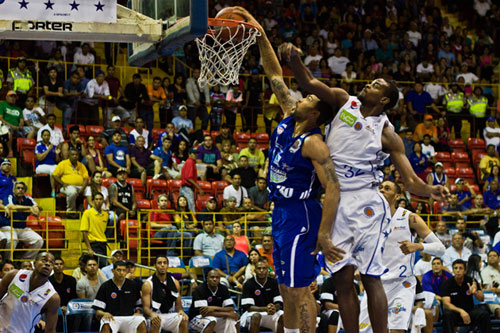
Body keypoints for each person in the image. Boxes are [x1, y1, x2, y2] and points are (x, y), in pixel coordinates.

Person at [278, 27, 449, 333]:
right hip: (335, 200)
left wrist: (431, 190)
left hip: (366, 202)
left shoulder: (386, 133)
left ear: (383, 99)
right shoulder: (344, 100)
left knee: (371, 277)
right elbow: (308, 82)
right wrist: (293, 59)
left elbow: (410, 181)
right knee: (342, 278)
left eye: (374, 85)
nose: (367, 85)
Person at [357, 180, 445, 333]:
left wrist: (418, 246)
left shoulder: (409, 218)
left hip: (401, 284)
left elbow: (441, 248)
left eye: (387, 188)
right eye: (380, 188)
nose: (382, 190)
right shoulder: (369, 218)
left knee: (397, 330)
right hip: (375, 284)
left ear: (397, 196)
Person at [0, 252, 60, 333]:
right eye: (44, 260)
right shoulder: (13, 275)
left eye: (51, 262)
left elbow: (50, 330)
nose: (47, 264)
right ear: (34, 263)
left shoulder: (52, 297)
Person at [92, 260, 147, 333]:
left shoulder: (133, 285)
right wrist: (104, 313)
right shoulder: (105, 286)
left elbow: (139, 304)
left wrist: (138, 312)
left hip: (129, 318)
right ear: (113, 271)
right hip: (112, 318)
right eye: (119, 270)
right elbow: (98, 311)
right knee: (106, 323)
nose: (121, 273)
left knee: (141, 321)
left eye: (124, 270)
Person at [441, 259, 490, 333]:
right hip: (455, 312)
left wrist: (475, 293)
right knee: (447, 315)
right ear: (453, 270)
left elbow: (482, 298)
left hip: (469, 311)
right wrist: (461, 311)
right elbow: (446, 304)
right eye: (455, 268)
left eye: (460, 268)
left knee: (484, 314)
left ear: (465, 271)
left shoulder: (471, 281)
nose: (458, 270)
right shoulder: (447, 283)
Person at [141, 256, 189, 333]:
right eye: (159, 263)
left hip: (169, 314)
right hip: (155, 314)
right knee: (156, 321)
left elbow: (178, 305)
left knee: (183, 319)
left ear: (167, 265)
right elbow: (146, 308)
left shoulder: (175, 282)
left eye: (165, 263)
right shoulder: (148, 284)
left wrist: (181, 311)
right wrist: (152, 314)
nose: (162, 265)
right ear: (155, 265)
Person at [0, 181, 43, 260]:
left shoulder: (27, 198)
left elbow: (37, 207)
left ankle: (24, 260)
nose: (20, 190)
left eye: (22, 188)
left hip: (22, 228)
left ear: (25, 191)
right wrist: (29, 208)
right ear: (14, 190)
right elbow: (11, 207)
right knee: (12, 240)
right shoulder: (9, 197)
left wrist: (35, 209)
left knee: (38, 241)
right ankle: (7, 261)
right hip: (9, 227)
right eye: (18, 188)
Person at [240, 258, 284, 333]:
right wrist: (266, 309)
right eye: (259, 268)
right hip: (254, 313)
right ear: (255, 270)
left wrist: (274, 308)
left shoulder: (273, 282)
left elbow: (279, 303)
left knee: (283, 315)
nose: (261, 270)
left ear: (267, 270)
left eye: (264, 268)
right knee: (256, 317)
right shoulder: (248, 284)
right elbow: (248, 307)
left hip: (271, 312)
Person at [52, 148, 89, 216]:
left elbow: (86, 178)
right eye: (73, 155)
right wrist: (62, 183)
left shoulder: (81, 165)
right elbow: (54, 175)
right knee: (72, 192)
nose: (75, 156)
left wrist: (83, 188)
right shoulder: (63, 163)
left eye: (76, 155)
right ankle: (71, 212)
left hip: (80, 187)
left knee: (90, 190)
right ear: (69, 155)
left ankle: (89, 211)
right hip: (67, 186)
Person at [80, 192, 109, 267]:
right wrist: (89, 248)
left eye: (100, 199)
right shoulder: (87, 213)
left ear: (103, 201)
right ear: (93, 201)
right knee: (105, 265)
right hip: (94, 244)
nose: (99, 201)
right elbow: (84, 232)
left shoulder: (105, 215)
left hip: (103, 244)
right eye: (97, 199)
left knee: (101, 267)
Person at [49, 256, 78, 331]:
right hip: (54, 310)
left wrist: (68, 307)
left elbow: (74, 297)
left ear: (63, 267)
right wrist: (59, 308)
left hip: (70, 309)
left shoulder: (71, 280)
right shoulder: (48, 281)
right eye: (56, 264)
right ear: (52, 266)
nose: (59, 266)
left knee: (76, 316)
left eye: (61, 264)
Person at [35, 129, 61, 197]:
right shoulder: (38, 146)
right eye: (45, 135)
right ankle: (53, 190)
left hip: (52, 165)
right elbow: (39, 158)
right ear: (42, 136)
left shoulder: (54, 147)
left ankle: (60, 190)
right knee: (53, 170)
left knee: (60, 169)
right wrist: (48, 149)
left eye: (48, 135)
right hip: (40, 166)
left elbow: (57, 160)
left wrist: (57, 154)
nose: (46, 137)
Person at [180, 147, 204, 213]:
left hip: (186, 188)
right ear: (189, 154)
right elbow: (189, 178)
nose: (195, 155)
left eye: (196, 153)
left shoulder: (191, 162)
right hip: (186, 188)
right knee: (190, 208)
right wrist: (199, 188)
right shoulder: (190, 162)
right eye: (194, 153)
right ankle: (192, 222)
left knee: (185, 208)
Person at [0, 90, 24, 156]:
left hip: (17, 128)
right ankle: (10, 151)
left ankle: (23, 153)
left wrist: (20, 125)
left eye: (14, 97)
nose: (13, 98)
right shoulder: (2, 104)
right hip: (5, 127)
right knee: (8, 130)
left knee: (32, 130)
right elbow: (0, 118)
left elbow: (21, 120)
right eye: (11, 96)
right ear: (6, 97)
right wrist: (12, 126)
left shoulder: (18, 108)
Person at [481, 249, 500, 318]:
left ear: (499, 259)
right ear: (487, 259)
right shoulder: (485, 271)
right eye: (490, 256)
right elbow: (489, 289)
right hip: (494, 298)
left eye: (494, 256)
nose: (492, 257)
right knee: (498, 310)